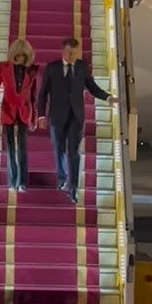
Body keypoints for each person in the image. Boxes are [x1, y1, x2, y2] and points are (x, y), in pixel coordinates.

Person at [37, 38, 118, 203]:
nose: (72, 55)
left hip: (76, 116)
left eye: (74, 53)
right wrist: (41, 115)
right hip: (57, 116)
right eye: (69, 52)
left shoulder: (81, 67)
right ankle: (62, 178)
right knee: (59, 148)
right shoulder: (52, 68)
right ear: (63, 52)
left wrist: (107, 97)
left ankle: (73, 189)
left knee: (74, 153)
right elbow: (43, 94)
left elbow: (91, 87)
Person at [0, 39, 39, 192]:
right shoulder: (3, 67)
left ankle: (22, 182)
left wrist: (35, 117)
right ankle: (13, 180)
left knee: (23, 148)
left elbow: (34, 95)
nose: (20, 57)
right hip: (8, 110)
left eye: (23, 55)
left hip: (25, 111)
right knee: (10, 148)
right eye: (18, 54)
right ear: (13, 54)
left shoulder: (33, 70)